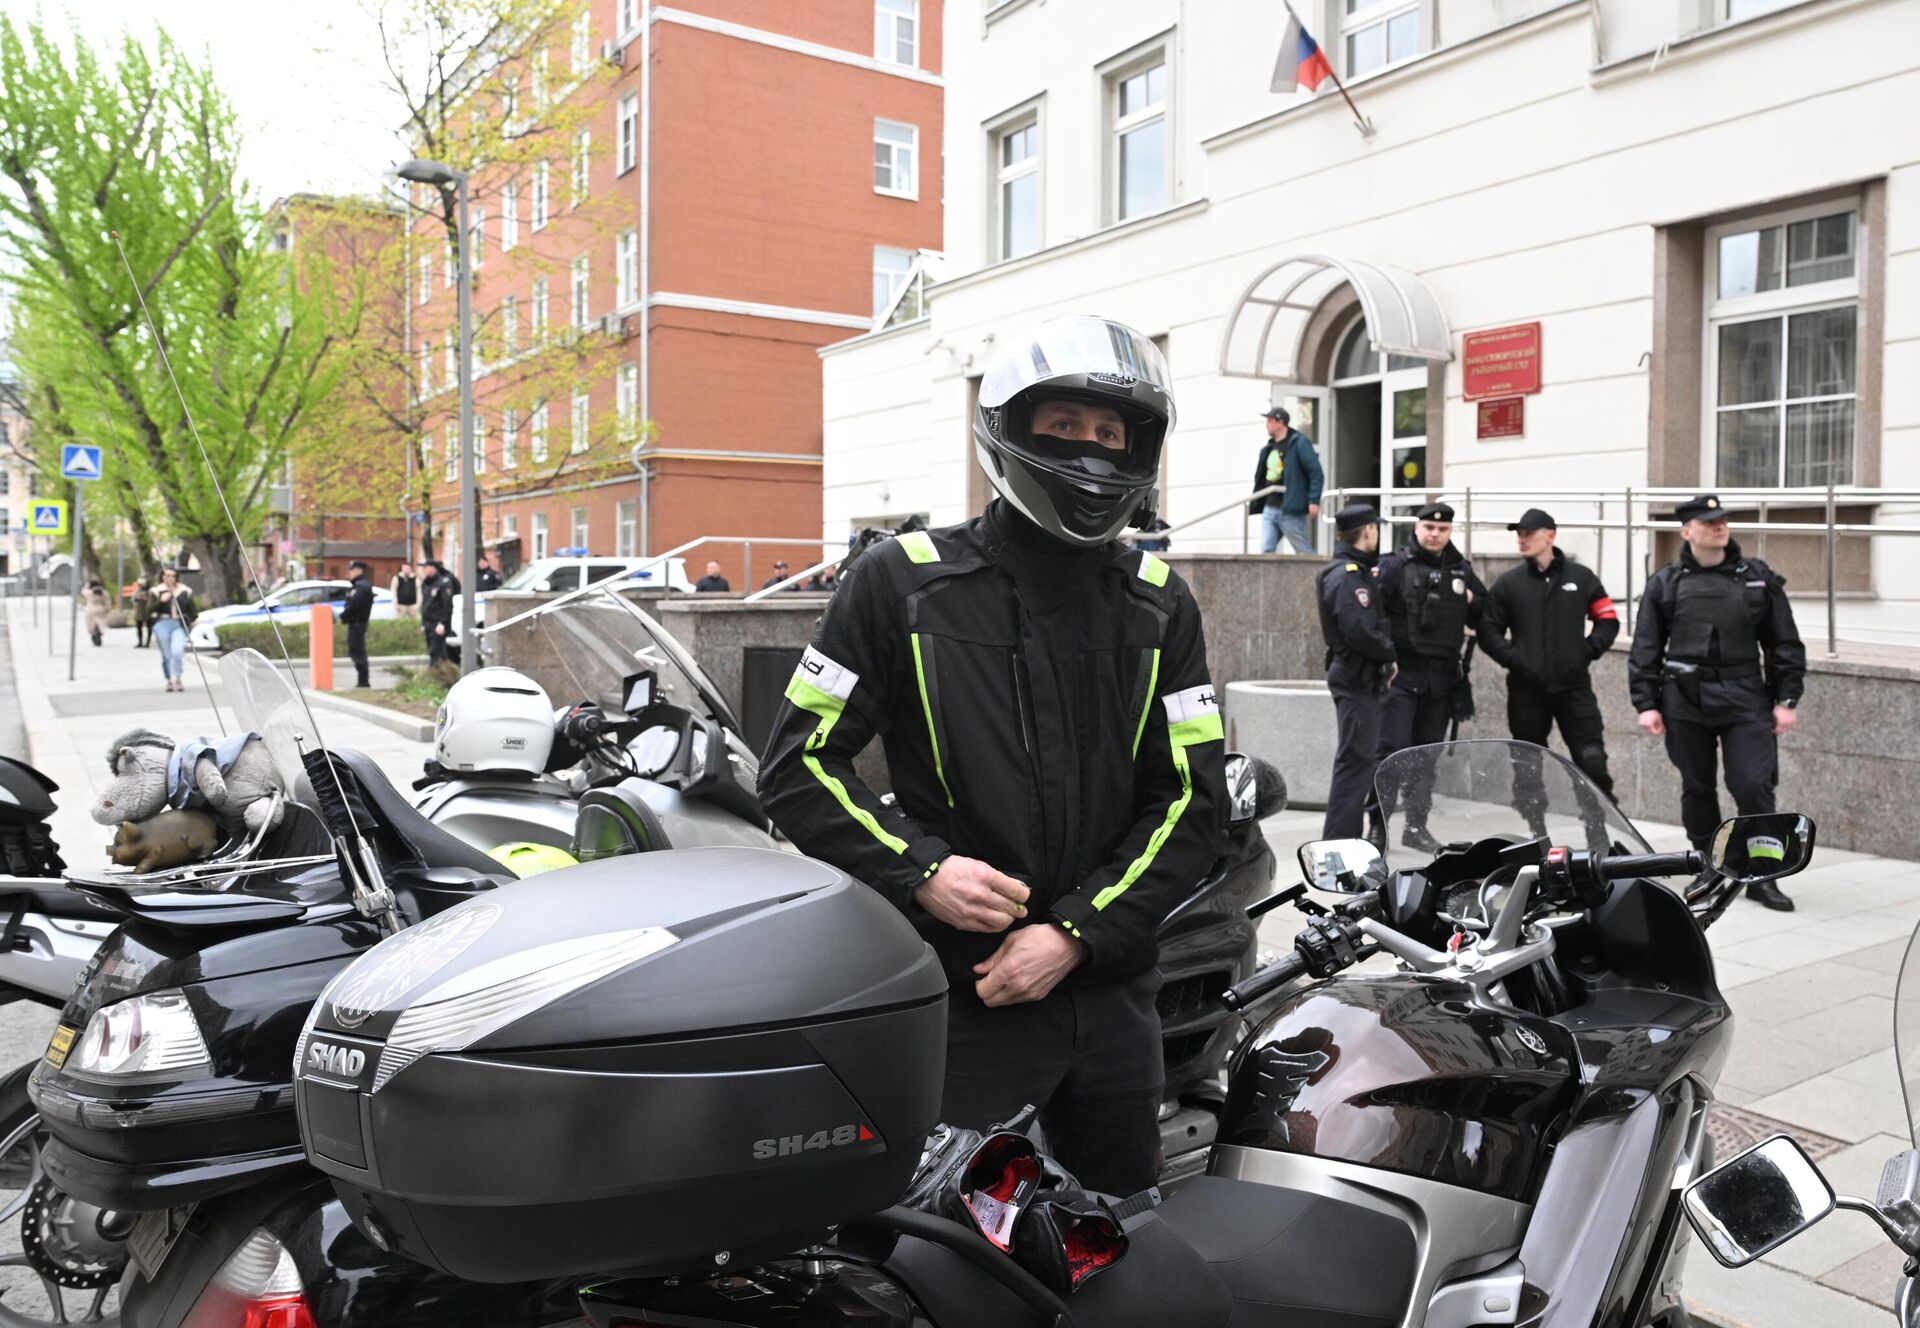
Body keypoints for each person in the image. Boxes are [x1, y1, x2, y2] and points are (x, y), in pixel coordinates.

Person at [759, 316, 1224, 1197]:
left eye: (1110, 433)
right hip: (961, 995)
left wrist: (1074, 936)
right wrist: (921, 869)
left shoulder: (1161, 605)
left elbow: (1191, 803)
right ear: (1009, 431)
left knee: (1124, 1229)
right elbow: (797, 766)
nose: (1089, 452)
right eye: (1065, 427)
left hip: (1110, 999)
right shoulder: (902, 581)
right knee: (944, 1245)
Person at [1629, 495, 1805, 911]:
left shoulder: (1757, 579)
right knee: (1697, 788)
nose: (1719, 526)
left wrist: (1787, 698)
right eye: (1708, 522)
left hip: (1745, 695)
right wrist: (1645, 703)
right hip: (1684, 699)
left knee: (1754, 785)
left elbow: (1783, 643)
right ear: (1687, 531)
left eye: (1723, 519)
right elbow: (1646, 646)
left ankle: (1764, 872)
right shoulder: (1665, 583)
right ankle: (1710, 864)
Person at [1478, 508, 1621, 825]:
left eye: (1528, 533)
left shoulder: (1581, 578)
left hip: (1574, 688)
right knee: (1528, 767)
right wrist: (1516, 660)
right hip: (1526, 691)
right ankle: (1536, 834)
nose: (1522, 539)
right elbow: (1488, 631)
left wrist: (1585, 652)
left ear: (1550, 535)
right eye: (1519, 534)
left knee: (1592, 761)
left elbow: (1608, 619)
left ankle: (1599, 831)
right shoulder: (1509, 583)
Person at [1367, 502, 1486, 851]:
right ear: (1417, 528)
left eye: (1443, 529)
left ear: (1450, 532)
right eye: (1429, 528)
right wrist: (1385, 660)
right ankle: (1378, 825)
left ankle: (1416, 826)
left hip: (1441, 679)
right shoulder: (1393, 565)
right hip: (1401, 677)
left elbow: (1484, 610)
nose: (1435, 534)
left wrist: (1470, 598)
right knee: (1390, 752)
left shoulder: (1460, 569)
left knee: (1425, 756)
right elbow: (1374, 613)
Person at [1318, 504, 1397, 840]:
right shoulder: (1348, 574)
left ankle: (1343, 841)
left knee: (1358, 765)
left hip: (1359, 677)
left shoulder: (1354, 570)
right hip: (1355, 678)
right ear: (1368, 531)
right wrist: (1389, 653)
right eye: (1375, 529)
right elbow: (1359, 631)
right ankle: (1339, 846)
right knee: (1354, 767)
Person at [1247, 406, 1324, 555]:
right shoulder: (1269, 447)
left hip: (1290, 509)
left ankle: (1317, 576)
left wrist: (1313, 500)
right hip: (1270, 507)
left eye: (1270, 420)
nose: (1266, 424)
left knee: (1303, 551)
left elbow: (1316, 473)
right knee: (1266, 550)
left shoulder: (1299, 443)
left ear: (1280, 422)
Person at [151, 567, 197, 692]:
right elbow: (149, 611)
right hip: (162, 623)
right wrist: (161, 601)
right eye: (167, 575)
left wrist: (193, 620)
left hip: (178, 624)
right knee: (166, 655)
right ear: (162, 577)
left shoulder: (184, 591)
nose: (169, 578)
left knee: (177, 652)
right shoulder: (156, 591)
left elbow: (192, 609)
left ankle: (177, 677)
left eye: (172, 575)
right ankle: (169, 679)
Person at [342, 559, 375, 689]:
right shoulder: (357, 585)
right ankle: (362, 680)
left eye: (351, 570)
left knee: (358, 652)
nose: (349, 573)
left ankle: (363, 681)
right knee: (355, 651)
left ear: (358, 570)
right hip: (354, 623)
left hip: (358, 623)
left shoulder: (362, 586)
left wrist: (342, 616)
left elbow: (355, 606)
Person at [420, 559, 460, 665]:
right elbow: (425, 605)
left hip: (438, 623)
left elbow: (447, 606)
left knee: (436, 652)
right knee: (432, 650)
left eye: (425, 567)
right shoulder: (426, 583)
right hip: (428, 622)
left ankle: (435, 674)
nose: (423, 570)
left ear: (433, 568)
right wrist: (423, 623)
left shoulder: (443, 583)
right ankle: (441, 673)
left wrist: (442, 623)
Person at [82, 579, 110, 647]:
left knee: (91, 624)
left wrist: (87, 585)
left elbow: (83, 591)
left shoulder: (89, 592)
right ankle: (99, 632)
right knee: (100, 623)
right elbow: (107, 602)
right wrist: (107, 609)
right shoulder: (103, 592)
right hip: (100, 609)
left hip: (90, 609)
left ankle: (94, 633)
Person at [131, 578, 153, 648]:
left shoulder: (150, 592)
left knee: (149, 627)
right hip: (139, 612)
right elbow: (133, 600)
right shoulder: (137, 592)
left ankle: (148, 642)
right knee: (139, 627)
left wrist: (146, 599)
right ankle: (140, 642)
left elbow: (152, 601)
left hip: (147, 611)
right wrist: (137, 599)